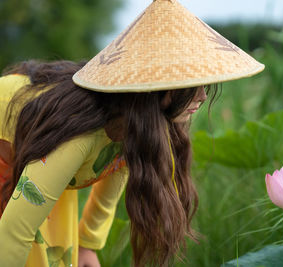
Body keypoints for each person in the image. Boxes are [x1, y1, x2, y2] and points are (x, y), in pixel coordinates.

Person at [0, 0, 264, 266]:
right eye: (189, 84)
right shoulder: (76, 136)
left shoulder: (136, 125)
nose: (203, 96)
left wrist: (87, 246)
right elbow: (14, 232)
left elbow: (111, 176)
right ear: (153, 88)